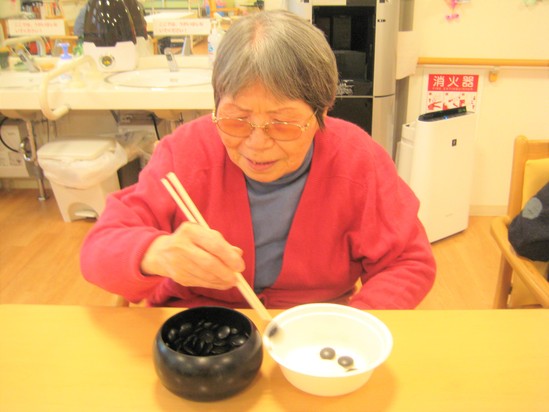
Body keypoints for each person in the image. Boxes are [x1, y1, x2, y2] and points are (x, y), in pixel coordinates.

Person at [80, 10, 436, 309]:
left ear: (322, 113)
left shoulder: (357, 159)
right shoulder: (186, 151)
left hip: (311, 332)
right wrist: (155, 253)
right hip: (196, 330)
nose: (257, 144)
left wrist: (350, 326)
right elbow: (100, 247)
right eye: (237, 120)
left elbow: (408, 261)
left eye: (283, 124)